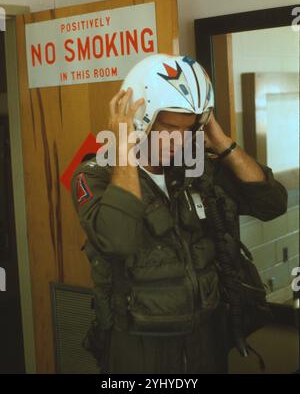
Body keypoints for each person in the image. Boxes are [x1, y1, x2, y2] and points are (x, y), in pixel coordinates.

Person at [71, 54, 287, 374]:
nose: (180, 139)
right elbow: (117, 240)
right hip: (140, 343)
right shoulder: (92, 174)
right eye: (171, 127)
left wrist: (218, 137)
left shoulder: (196, 169)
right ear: (140, 120)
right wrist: (124, 149)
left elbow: (272, 204)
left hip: (206, 336)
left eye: (189, 129)